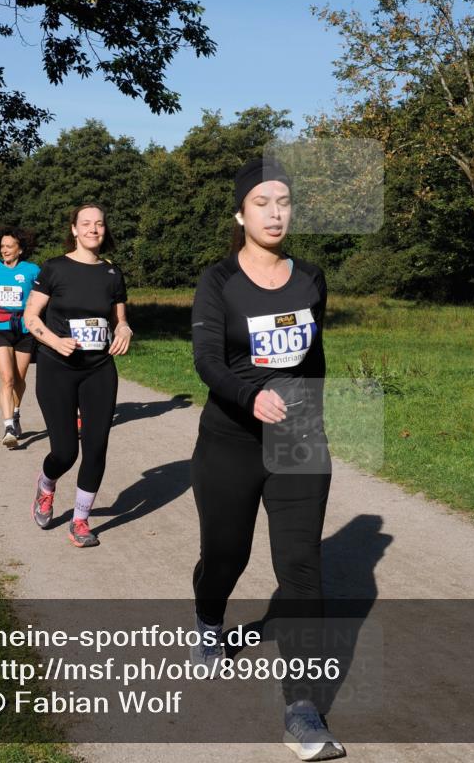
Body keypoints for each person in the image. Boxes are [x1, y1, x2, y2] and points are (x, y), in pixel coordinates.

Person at [189, 157, 345, 761]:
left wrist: (314, 416)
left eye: (283, 201)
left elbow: (312, 358)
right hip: (229, 437)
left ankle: (303, 710)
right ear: (241, 213)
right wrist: (252, 396)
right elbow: (206, 358)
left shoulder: (311, 277)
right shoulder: (218, 279)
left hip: (298, 438)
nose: (275, 211)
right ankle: (209, 617)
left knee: (302, 569)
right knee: (226, 555)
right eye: (262, 202)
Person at [23, 203, 132, 548]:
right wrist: (55, 341)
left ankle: (80, 520)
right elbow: (30, 317)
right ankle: (46, 485)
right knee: (66, 452)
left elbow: (119, 320)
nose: (93, 229)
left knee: (97, 446)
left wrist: (125, 329)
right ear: (74, 229)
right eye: (86, 223)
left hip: (99, 368)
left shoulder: (112, 274)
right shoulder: (54, 269)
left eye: (99, 224)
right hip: (57, 367)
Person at [0, 228, 40, 449]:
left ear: (20, 249)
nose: (4, 249)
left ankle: (16, 413)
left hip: (24, 329)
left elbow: (42, 295)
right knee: (7, 379)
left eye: (9, 246)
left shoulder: (32, 270)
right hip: (0, 327)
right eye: (2, 246)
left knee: (19, 379)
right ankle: (8, 428)